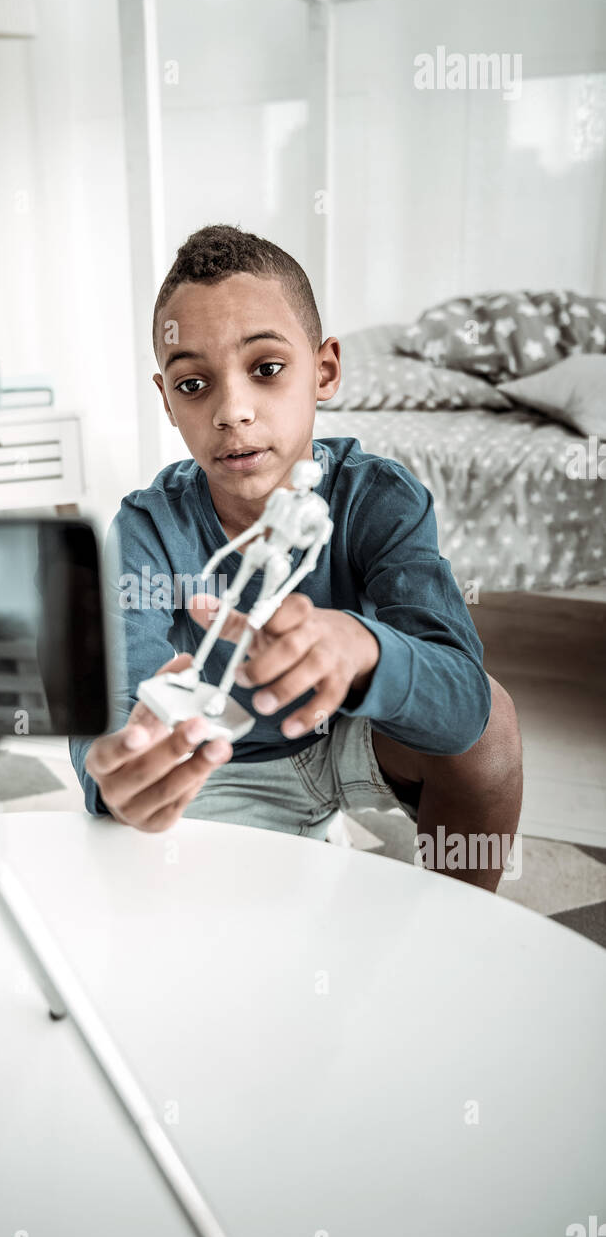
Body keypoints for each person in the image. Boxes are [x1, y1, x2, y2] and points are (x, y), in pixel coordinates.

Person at [69, 225, 522, 892]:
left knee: (492, 726)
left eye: (267, 369)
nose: (233, 411)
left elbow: (461, 704)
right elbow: (113, 703)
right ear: (167, 399)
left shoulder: (378, 500)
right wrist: (116, 773)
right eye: (194, 384)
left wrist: (363, 648)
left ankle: (459, 928)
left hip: (340, 745)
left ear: (325, 370)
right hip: (211, 773)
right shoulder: (148, 526)